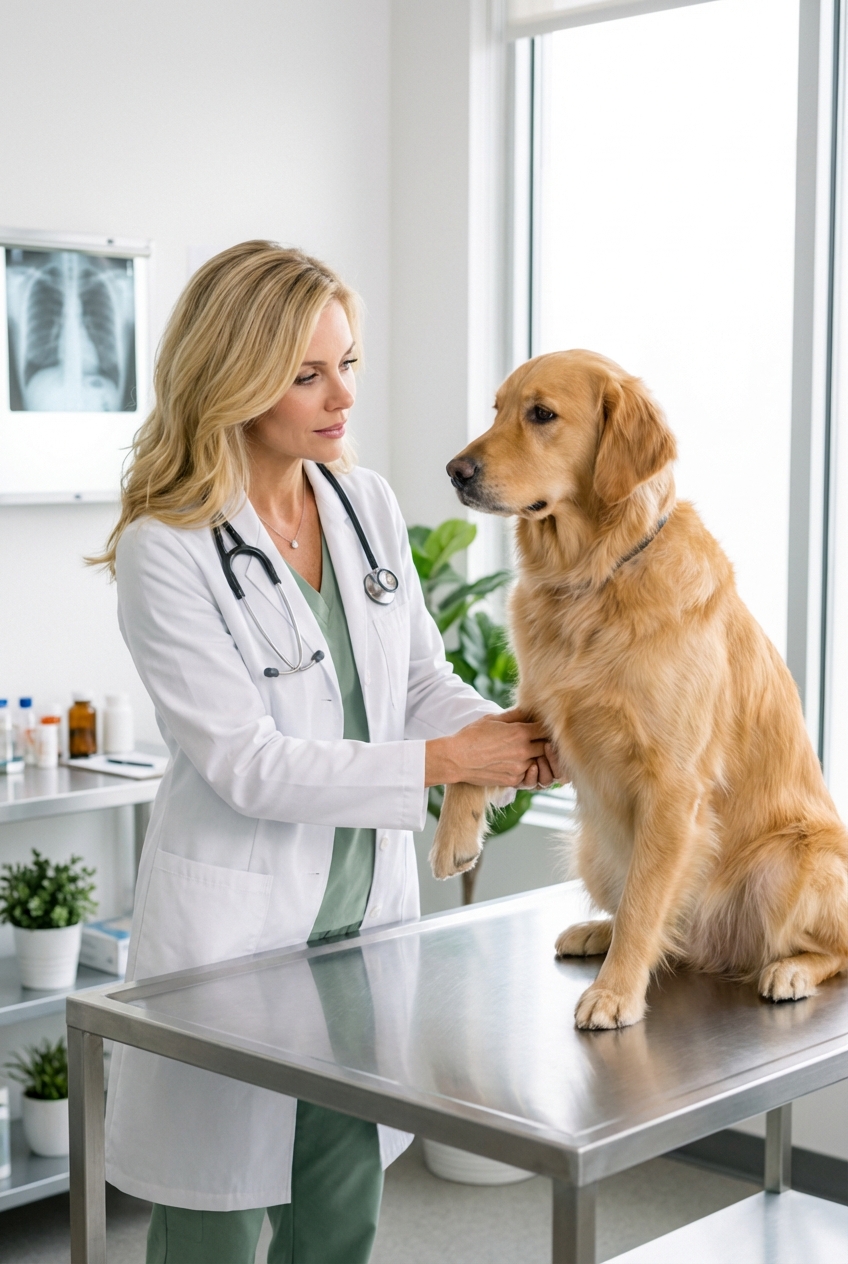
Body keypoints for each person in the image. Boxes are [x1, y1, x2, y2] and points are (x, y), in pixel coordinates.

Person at [93, 241, 559, 1264]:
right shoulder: (164, 545)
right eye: (307, 374)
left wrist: (511, 733)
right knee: (210, 1235)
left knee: (338, 1221)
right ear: (232, 373)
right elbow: (245, 762)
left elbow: (412, 684)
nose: (339, 395)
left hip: (356, 940)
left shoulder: (363, 502)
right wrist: (445, 763)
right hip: (231, 947)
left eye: (347, 362)